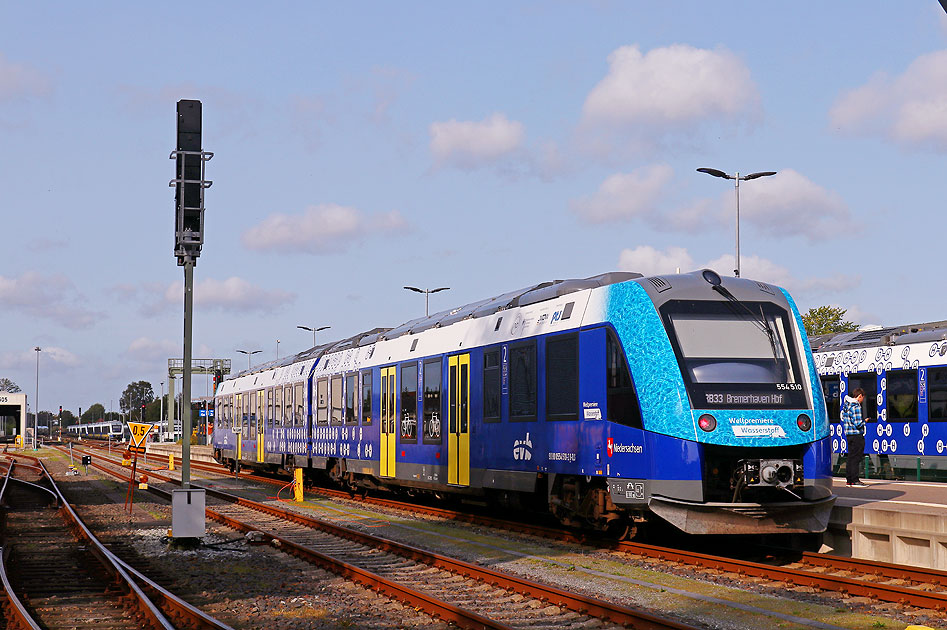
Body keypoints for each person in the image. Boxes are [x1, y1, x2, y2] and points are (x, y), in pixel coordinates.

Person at [842, 387, 868, 487]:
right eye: (862, 398)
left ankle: (849, 480)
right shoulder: (855, 406)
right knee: (856, 458)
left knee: (850, 457)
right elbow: (857, 423)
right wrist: (864, 421)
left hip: (849, 434)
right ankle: (855, 480)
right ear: (859, 396)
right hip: (857, 435)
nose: (862, 400)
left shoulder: (846, 405)